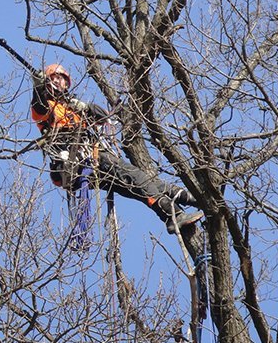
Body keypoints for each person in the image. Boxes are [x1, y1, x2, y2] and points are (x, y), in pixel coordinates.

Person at [31, 63, 204, 234]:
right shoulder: (46, 108)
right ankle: (174, 215)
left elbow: (102, 116)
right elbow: (39, 102)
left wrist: (83, 106)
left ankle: (195, 200)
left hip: (94, 160)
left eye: (62, 79)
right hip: (81, 160)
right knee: (138, 178)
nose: (59, 82)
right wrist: (38, 85)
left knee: (145, 184)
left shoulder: (73, 107)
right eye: (55, 78)